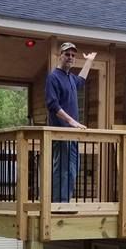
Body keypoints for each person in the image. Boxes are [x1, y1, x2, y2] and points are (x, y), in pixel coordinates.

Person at [45, 42, 96, 203]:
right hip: (61, 133)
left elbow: (81, 80)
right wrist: (71, 121)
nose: (70, 57)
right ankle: (58, 205)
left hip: (72, 134)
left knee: (72, 170)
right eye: (67, 54)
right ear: (60, 55)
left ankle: (64, 202)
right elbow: (52, 105)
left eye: (73, 55)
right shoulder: (53, 77)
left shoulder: (71, 79)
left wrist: (89, 61)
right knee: (62, 170)